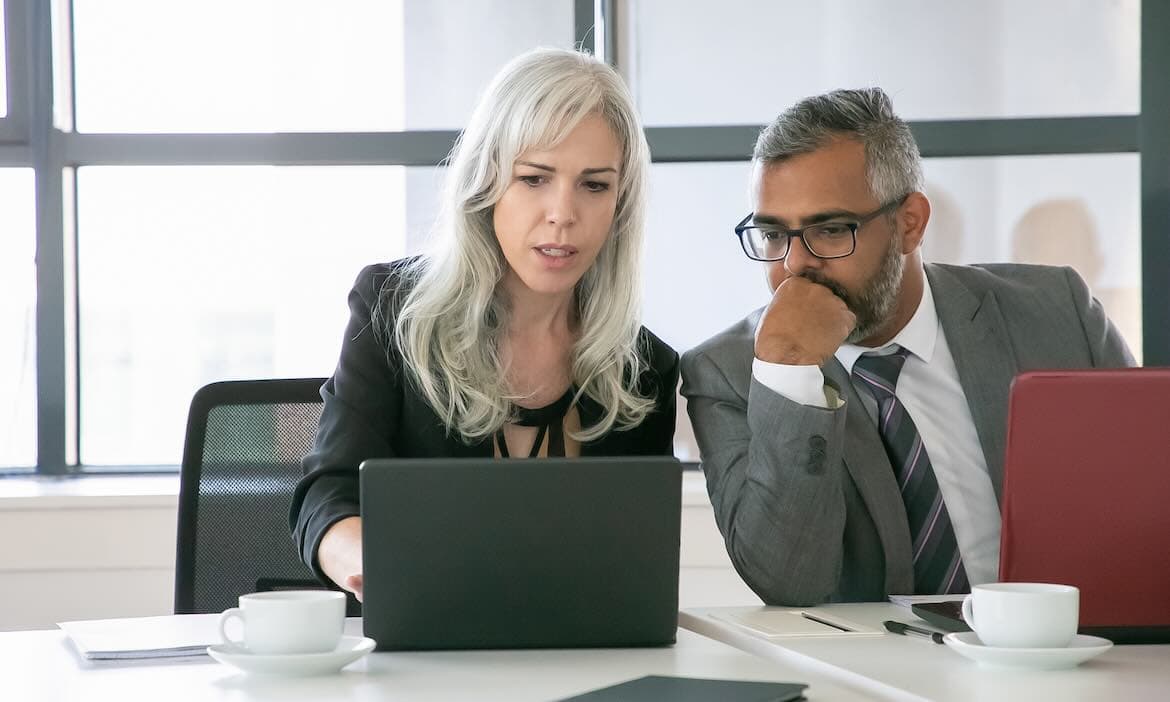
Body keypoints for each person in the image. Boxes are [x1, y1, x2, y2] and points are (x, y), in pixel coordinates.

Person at [680, 88, 1134, 606]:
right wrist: (790, 371)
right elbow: (789, 581)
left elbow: (1147, 496)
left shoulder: (1055, 312)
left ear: (910, 223)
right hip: (873, 681)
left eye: (830, 230)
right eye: (773, 235)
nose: (795, 265)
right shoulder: (728, 372)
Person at [290, 48, 679, 601]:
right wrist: (367, 562)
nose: (563, 214)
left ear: (621, 204)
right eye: (534, 178)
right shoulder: (393, 311)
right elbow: (326, 494)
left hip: (579, 659)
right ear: (486, 181)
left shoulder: (645, 368)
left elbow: (636, 566)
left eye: (594, 185)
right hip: (419, 657)